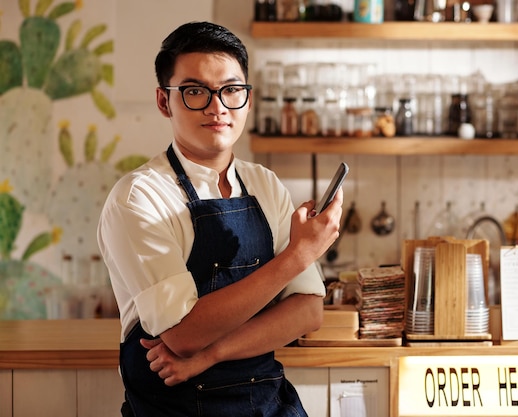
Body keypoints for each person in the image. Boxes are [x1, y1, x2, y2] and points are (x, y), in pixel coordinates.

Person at [97, 21, 343, 417]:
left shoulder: (265, 184)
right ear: (164, 101)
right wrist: (298, 255)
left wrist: (212, 354)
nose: (217, 107)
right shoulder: (139, 197)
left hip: (268, 406)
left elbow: (308, 311)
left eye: (231, 90)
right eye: (195, 91)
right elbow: (183, 335)